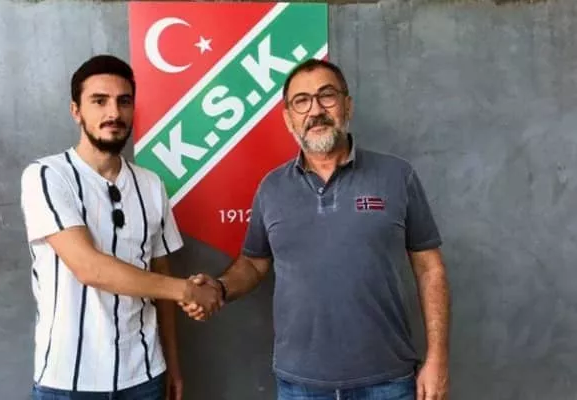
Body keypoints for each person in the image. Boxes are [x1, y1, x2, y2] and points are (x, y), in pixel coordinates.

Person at [182, 58, 450, 400]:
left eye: (327, 96)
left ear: (347, 105)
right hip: (301, 386)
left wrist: (438, 358)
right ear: (288, 117)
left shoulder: (398, 176)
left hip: (388, 381)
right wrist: (220, 288)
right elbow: (253, 263)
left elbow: (430, 269)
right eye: (302, 101)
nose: (316, 110)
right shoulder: (271, 188)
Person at [20, 54, 222, 400]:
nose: (113, 113)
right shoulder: (47, 176)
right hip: (68, 382)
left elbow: (161, 275)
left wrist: (172, 364)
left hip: (144, 376)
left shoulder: (152, 184)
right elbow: (89, 267)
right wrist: (187, 291)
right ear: (76, 111)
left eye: (123, 101)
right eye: (99, 101)